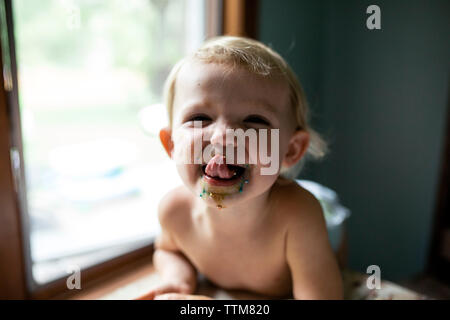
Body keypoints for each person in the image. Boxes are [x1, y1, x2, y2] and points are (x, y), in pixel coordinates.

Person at [140, 36, 342, 300]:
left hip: (326, 217)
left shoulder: (299, 217)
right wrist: (177, 279)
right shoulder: (174, 211)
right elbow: (167, 251)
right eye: (200, 118)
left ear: (290, 150)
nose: (222, 137)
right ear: (171, 144)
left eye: (254, 120)